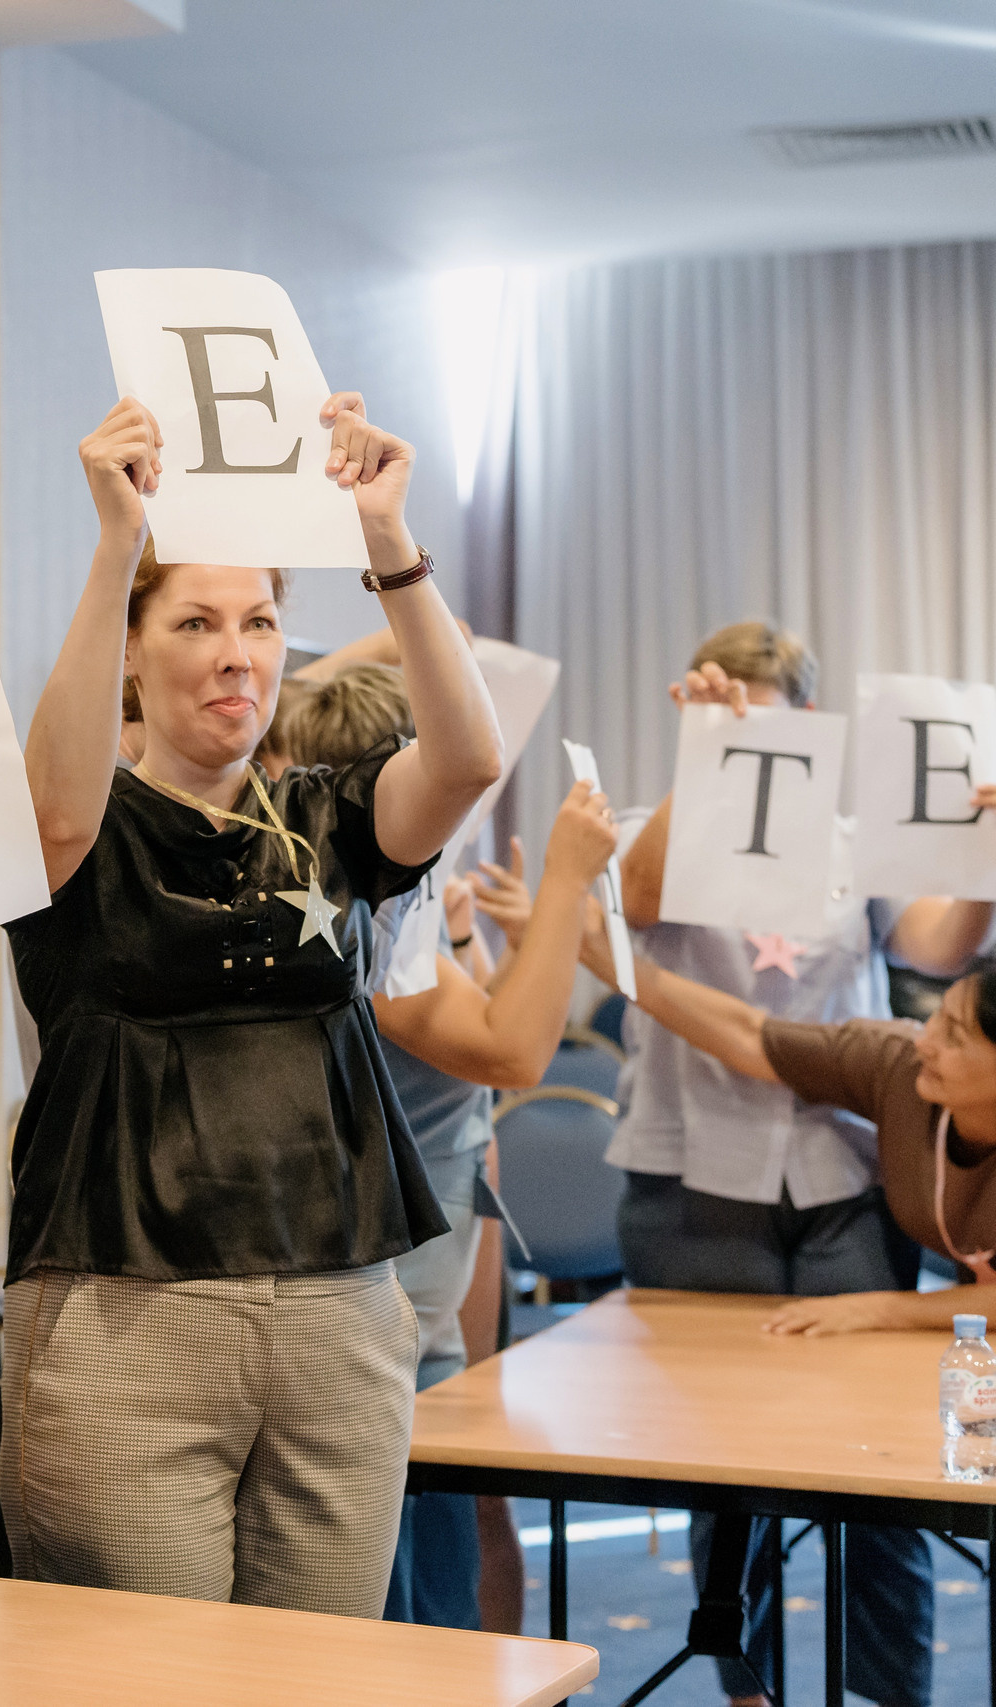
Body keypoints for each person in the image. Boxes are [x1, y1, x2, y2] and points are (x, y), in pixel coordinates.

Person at [3, 388, 503, 1617]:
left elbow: (469, 760)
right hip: (125, 1312)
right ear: (133, 647)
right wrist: (119, 540)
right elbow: (56, 816)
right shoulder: (72, 822)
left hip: (339, 1306)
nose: (237, 651)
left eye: (262, 620)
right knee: (142, 1689)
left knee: (324, 1681)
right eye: (195, 622)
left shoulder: (330, 816)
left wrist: (387, 538)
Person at [614, 623, 990, 1707]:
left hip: (841, 1175)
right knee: (719, 1468)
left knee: (879, 1459)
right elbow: (634, 903)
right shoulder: (657, 824)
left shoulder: (850, 841)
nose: (748, 737)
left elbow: (933, 949)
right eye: (729, 714)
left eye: (769, 720)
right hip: (691, 1176)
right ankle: (746, 1689)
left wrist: (980, 859)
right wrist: (701, 756)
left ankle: (890, 1692)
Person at [570, 907, 996, 1707]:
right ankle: (747, 1686)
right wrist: (625, 966)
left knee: (895, 1493)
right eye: (933, 1016)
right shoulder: (903, 1068)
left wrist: (882, 1309)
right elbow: (752, 1034)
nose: (925, 1037)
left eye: (957, 1033)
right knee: (734, 1464)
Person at [284, 662, 620, 1628]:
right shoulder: (351, 911)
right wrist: (564, 881)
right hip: (388, 1285)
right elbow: (511, 1048)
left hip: (437, 1242)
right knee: (413, 1563)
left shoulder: (395, 891)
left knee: (466, 1517)